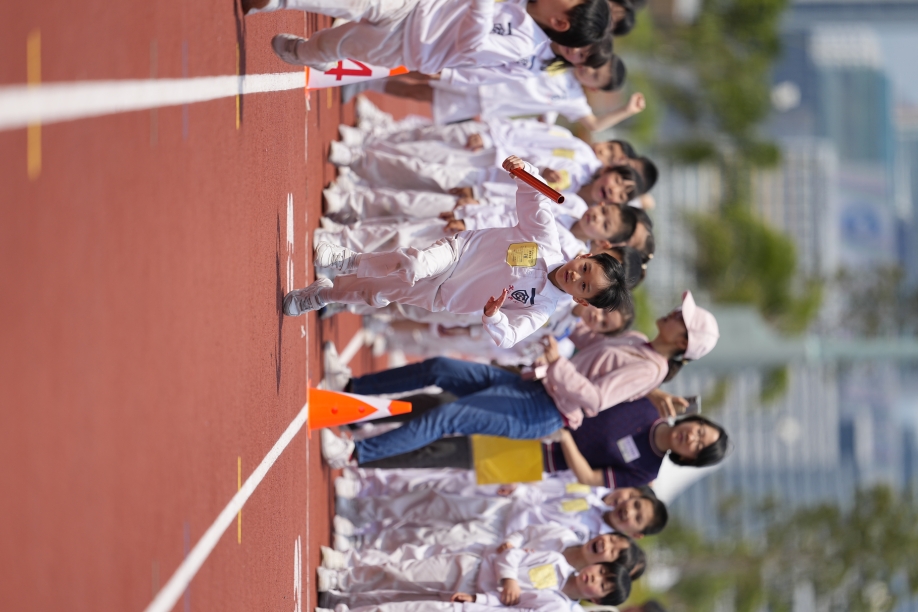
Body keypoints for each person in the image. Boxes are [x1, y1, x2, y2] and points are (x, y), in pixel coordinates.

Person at [283, 158, 630, 350]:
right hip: (458, 252)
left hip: (444, 295)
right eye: (585, 268)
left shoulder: (542, 308)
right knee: (414, 263)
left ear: (581, 301)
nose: (577, 276)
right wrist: (524, 170)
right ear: (584, 256)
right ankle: (348, 259)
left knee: (375, 293)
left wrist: (494, 316)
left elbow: (509, 337)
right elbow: (534, 197)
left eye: (584, 286)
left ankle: (323, 294)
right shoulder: (546, 239)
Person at [248, 0, 610, 88]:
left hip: (404, 47)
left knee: (335, 43)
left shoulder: (522, 44)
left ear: (560, 22)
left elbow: (470, 45)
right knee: (359, 2)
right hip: (414, 6)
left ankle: (305, 53)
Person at [315, 531, 641, 607]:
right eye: (602, 571)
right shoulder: (557, 562)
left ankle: (339, 601)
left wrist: (479, 601)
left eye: (602, 585)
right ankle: (340, 577)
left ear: (596, 600)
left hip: (470, 599)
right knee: (401, 573)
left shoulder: (557, 605)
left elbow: (511, 608)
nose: (595, 577)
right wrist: (509, 578)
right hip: (468, 570)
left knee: (400, 600)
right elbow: (512, 556)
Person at [545, 402, 730, 487]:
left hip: (542, 458)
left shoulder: (646, 472)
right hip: (546, 411)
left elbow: (589, 478)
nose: (691, 438)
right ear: (695, 420)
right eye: (699, 432)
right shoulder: (649, 403)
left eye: (698, 447)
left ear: (688, 459)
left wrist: (565, 439)